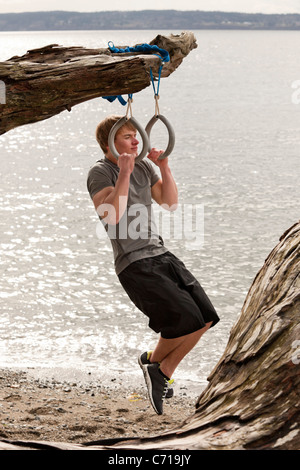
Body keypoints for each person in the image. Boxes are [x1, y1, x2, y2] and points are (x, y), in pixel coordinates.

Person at [87, 115, 219, 415]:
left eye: (137, 135)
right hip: (134, 263)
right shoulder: (100, 171)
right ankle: (156, 368)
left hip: (160, 253)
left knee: (207, 317)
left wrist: (164, 167)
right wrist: (123, 174)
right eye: (128, 137)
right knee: (186, 319)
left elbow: (169, 202)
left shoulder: (145, 166)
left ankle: (158, 367)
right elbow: (112, 216)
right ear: (109, 144)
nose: (136, 141)